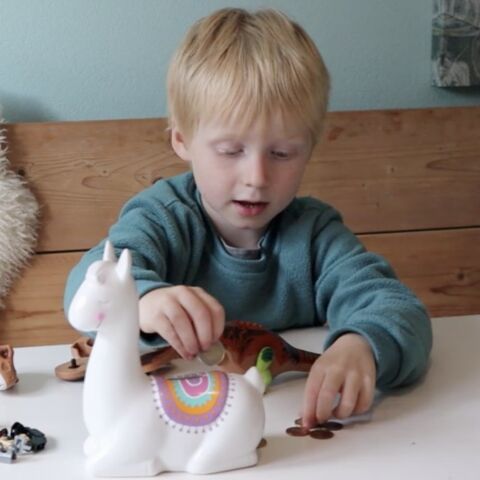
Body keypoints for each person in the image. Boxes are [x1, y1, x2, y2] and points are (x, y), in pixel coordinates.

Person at [64, 8, 432, 428]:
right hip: (177, 429)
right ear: (182, 140)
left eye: (282, 153)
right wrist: (144, 302)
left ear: (309, 149)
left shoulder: (315, 236)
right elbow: (88, 284)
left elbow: (399, 309)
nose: (257, 178)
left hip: (295, 430)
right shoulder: (162, 218)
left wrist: (361, 344)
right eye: (230, 151)